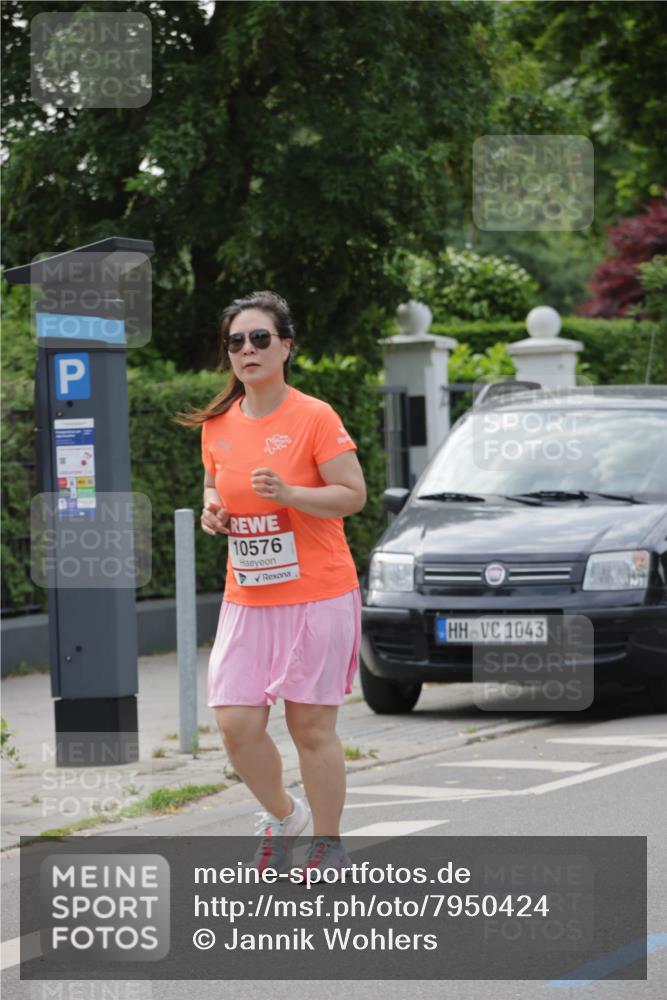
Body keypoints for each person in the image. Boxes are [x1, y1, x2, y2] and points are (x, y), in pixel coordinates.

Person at [175, 289, 366, 877]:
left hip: (317, 591)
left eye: (260, 338)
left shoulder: (314, 416)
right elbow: (215, 485)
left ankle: (327, 844)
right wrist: (213, 511)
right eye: (236, 341)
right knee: (235, 723)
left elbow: (352, 495)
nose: (247, 349)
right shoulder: (218, 425)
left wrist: (291, 495)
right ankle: (284, 816)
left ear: (286, 346)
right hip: (249, 594)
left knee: (309, 726)